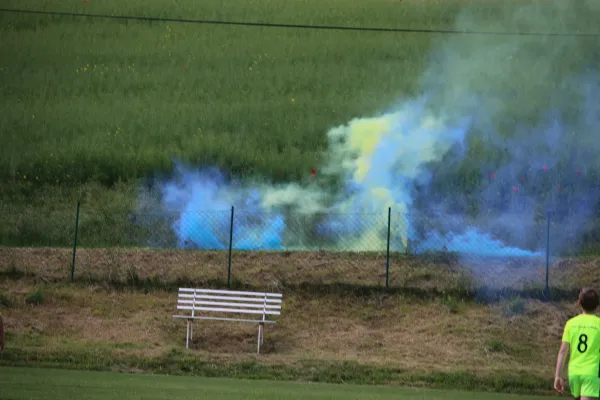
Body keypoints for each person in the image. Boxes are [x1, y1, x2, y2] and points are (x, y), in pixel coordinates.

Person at [555, 288, 600, 399]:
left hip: (574, 372)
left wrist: (557, 375)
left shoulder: (571, 323)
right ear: (597, 305)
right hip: (591, 372)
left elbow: (563, 351)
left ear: (579, 303)